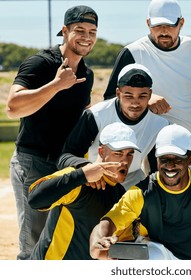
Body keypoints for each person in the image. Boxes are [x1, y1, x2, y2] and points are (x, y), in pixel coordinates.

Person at [6, 5, 98, 260]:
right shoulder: (41, 63)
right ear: (65, 30)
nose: (86, 37)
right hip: (34, 162)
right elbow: (13, 107)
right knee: (33, 242)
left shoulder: (87, 74)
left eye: (92, 31)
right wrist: (56, 85)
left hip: (64, 165)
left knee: (59, 237)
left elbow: (83, 115)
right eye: (79, 30)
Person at [89, 124, 191, 260]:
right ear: (157, 159)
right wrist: (98, 241)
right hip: (156, 252)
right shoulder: (142, 192)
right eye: (164, 159)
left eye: (177, 159)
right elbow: (109, 222)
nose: (169, 166)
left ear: (190, 159)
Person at [103, 0, 191, 165]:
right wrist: (144, 100)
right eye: (157, 26)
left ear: (181, 23)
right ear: (148, 23)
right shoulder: (132, 52)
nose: (164, 31)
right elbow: (110, 99)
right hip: (150, 150)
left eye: (170, 25)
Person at [28, 123, 140, 260]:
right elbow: (35, 199)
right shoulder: (78, 179)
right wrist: (82, 175)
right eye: (118, 153)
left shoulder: (122, 196)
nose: (125, 161)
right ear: (101, 152)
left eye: (130, 154)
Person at [57, 63, 170, 190]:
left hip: (133, 182)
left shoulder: (161, 125)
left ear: (150, 95)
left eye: (142, 96)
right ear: (118, 93)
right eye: (128, 96)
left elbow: (157, 169)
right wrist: (86, 167)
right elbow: (66, 156)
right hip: (96, 180)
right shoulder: (96, 115)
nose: (135, 102)